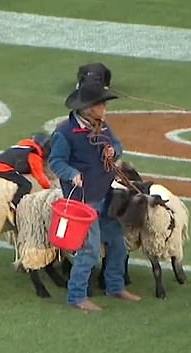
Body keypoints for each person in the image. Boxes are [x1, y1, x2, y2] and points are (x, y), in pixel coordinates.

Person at [49, 78, 141, 312]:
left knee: (118, 244)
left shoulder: (102, 127)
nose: (105, 109)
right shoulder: (65, 132)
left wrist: (114, 150)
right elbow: (56, 161)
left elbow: (117, 145)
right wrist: (71, 173)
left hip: (104, 194)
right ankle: (76, 296)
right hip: (83, 200)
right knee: (89, 249)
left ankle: (115, 286)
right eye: (101, 105)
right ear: (89, 109)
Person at [0, 133, 52, 226]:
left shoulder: (18, 148)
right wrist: (49, 187)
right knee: (26, 185)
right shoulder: (33, 154)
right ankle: (14, 207)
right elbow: (39, 176)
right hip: (1, 169)